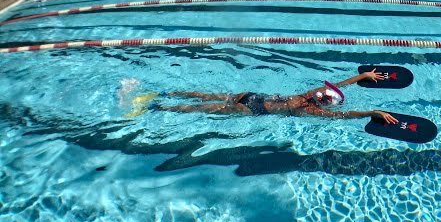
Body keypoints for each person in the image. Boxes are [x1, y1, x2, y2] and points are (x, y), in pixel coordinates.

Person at [130, 69, 399, 124]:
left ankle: (155, 106)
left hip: (252, 110)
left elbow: (343, 115)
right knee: (203, 95)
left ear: (323, 101)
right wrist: (364, 77)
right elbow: (342, 83)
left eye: (322, 93)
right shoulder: (309, 95)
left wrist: (370, 113)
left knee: (202, 108)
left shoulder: (311, 110)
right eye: (322, 89)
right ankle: (162, 93)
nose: (319, 89)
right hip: (252, 96)